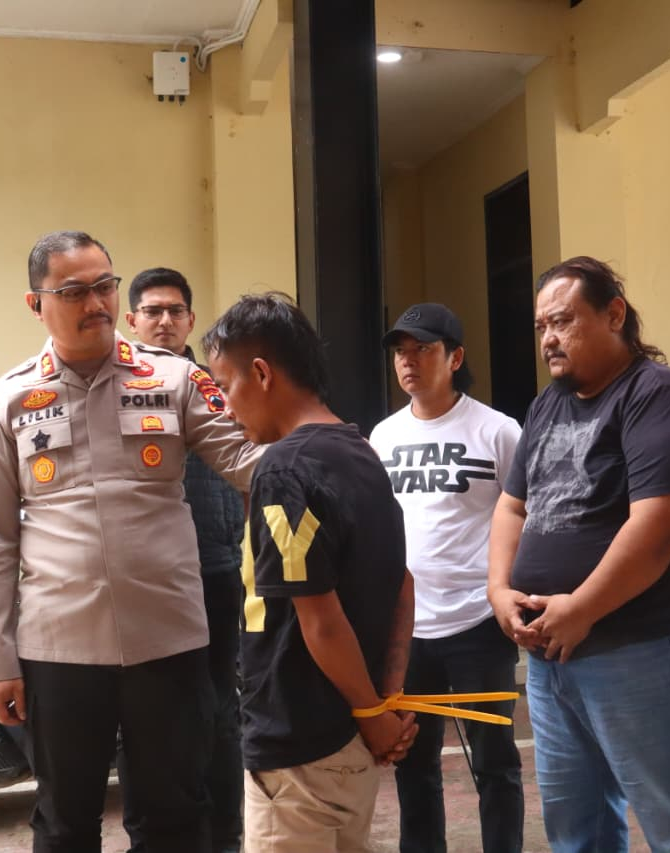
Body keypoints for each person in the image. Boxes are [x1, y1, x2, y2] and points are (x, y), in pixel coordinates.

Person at [0, 231, 260, 853]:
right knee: (64, 822)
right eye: (75, 291)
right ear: (36, 303)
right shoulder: (9, 398)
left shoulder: (174, 378)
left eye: (104, 286)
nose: (96, 302)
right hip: (60, 646)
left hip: (168, 639)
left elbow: (245, 461)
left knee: (174, 817)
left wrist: (325, 456)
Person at [488, 257, 670, 853]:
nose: (549, 338)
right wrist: (499, 589)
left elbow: (660, 527)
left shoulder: (659, 398)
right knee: (579, 831)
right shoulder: (548, 405)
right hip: (553, 656)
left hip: (642, 647)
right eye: (542, 326)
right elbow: (512, 507)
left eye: (563, 321)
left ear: (614, 314)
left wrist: (583, 608)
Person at [201, 292, 417, 853]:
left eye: (224, 387)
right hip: (351, 742)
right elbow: (403, 583)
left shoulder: (282, 471)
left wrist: (374, 713)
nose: (224, 409)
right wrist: (384, 701)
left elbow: (318, 617)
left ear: (261, 373)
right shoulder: (362, 452)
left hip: (297, 744)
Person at [369, 303, 523, 853]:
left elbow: (524, 515)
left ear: (455, 358)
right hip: (408, 628)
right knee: (413, 762)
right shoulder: (382, 436)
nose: (408, 361)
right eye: (400, 352)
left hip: (478, 622)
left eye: (423, 349)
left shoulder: (499, 431)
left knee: (494, 762)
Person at [123, 267, 245, 853]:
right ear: (132, 321)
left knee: (218, 709)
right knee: (145, 715)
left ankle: (223, 838)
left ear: (191, 320)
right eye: (153, 311)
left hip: (214, 569)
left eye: (175, 311)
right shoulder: (116, 388)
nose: (165, 321)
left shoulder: (216, 386)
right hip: (143, 581)